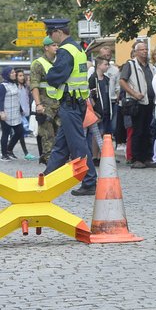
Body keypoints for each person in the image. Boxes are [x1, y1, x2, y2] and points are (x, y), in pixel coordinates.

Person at [40, 18, 98, 195]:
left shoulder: (65, 51)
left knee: (77, 145)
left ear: (58, 32)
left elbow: (55, 76)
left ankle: (89, 182)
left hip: (70, 104)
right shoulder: (78, 48)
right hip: (77, 102)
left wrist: (49, 72)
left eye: (51, 34)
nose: (51, 38)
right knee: (61, 145)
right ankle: (47, 179)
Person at [119, 40, 155, 169]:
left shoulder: (150, 66)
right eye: (142, 50)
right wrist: (134, 93)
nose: (145, 51)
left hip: (149, 102)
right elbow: (122, 81)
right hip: (137, 102)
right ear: (135, 52)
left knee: (147, 131)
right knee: (138, 131)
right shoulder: (130, 64)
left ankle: (146, 157)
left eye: (146, 49)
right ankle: (136, 158)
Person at [30, 37, 61, 164]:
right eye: (53, 45)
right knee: (47, 136)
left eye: (57, 45)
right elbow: (34, 86)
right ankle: (49, 162)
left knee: (60, 135)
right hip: (45, 105)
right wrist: (38, 104)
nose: (56, 47)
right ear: (46, 47)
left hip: (58, 104)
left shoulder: (59, 62)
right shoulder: (38, 63)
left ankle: (58, 160)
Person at [88, 57, 114, 143]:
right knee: (98, 133)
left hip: (107, 110)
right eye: (105, 64)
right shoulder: (93, 79)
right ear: (99, 65)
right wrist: (95, 108)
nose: (107, 66)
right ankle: (96, 155)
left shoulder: (106, 79)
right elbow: (91, 96)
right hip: (98, 111)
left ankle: (103, 153)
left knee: (106, 133)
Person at [0, 68, 24, 161]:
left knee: (20, 132)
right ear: (7, 75)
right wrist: (1, 112)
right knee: (5, 134)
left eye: (14, 72)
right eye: (12, 73)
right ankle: (4, 154)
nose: (14, 74)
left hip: (15, 113)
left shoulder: (15, 84)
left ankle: (9, 150)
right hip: (6, 113)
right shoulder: (3, 86)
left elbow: (17, 98)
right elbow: (0, 100)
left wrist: (21, 109)